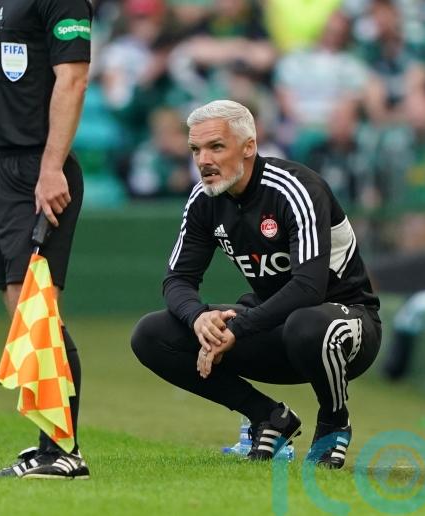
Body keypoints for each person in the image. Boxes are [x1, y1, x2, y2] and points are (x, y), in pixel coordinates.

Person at [130, 100, 381, 469]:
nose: (203, 161)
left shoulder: (296, 188)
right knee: (151, 334)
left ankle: (333, 422)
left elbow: (308, 287)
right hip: (272, 327)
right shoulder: (204, 198)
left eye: (216, 147)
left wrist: (239, 328)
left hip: (345, 327)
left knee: (307, 323)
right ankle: (269, 417)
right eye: (196, 149)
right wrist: (198, 318)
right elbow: (178, 279)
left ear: (249, 146)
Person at [0, 0, 93, 479]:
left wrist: (52, 167)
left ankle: (64, 451)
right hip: (0, 167)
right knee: (21, 308)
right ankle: (50, 445)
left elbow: (73, 79)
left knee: (37, 308)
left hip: (38, 168)